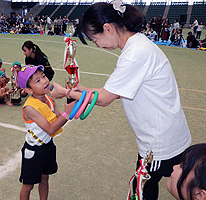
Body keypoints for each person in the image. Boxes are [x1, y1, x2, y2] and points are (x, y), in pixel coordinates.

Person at [50, 2, 191, 200]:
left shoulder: (135, 53)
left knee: (148, 191)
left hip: (160, 143)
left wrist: (64, 92)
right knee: (152, 188)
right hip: (162, 136)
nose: (97, 44)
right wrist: (84, 91)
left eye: (95, 39)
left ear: (107, 28)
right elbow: (115, 91)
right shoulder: (136, 45)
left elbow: (105, 98)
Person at [17, 65, 75, 200]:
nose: (44, 81)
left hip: (48, 146)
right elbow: (50, 128)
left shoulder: (49, 99)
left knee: (44, 179)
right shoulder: (30, 108)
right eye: (37, 80)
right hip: (33, 151)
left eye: (43, 76)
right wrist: (68, 112)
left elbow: (59, 118)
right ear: (29, 90)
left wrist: (71, 101)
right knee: (28, 186)